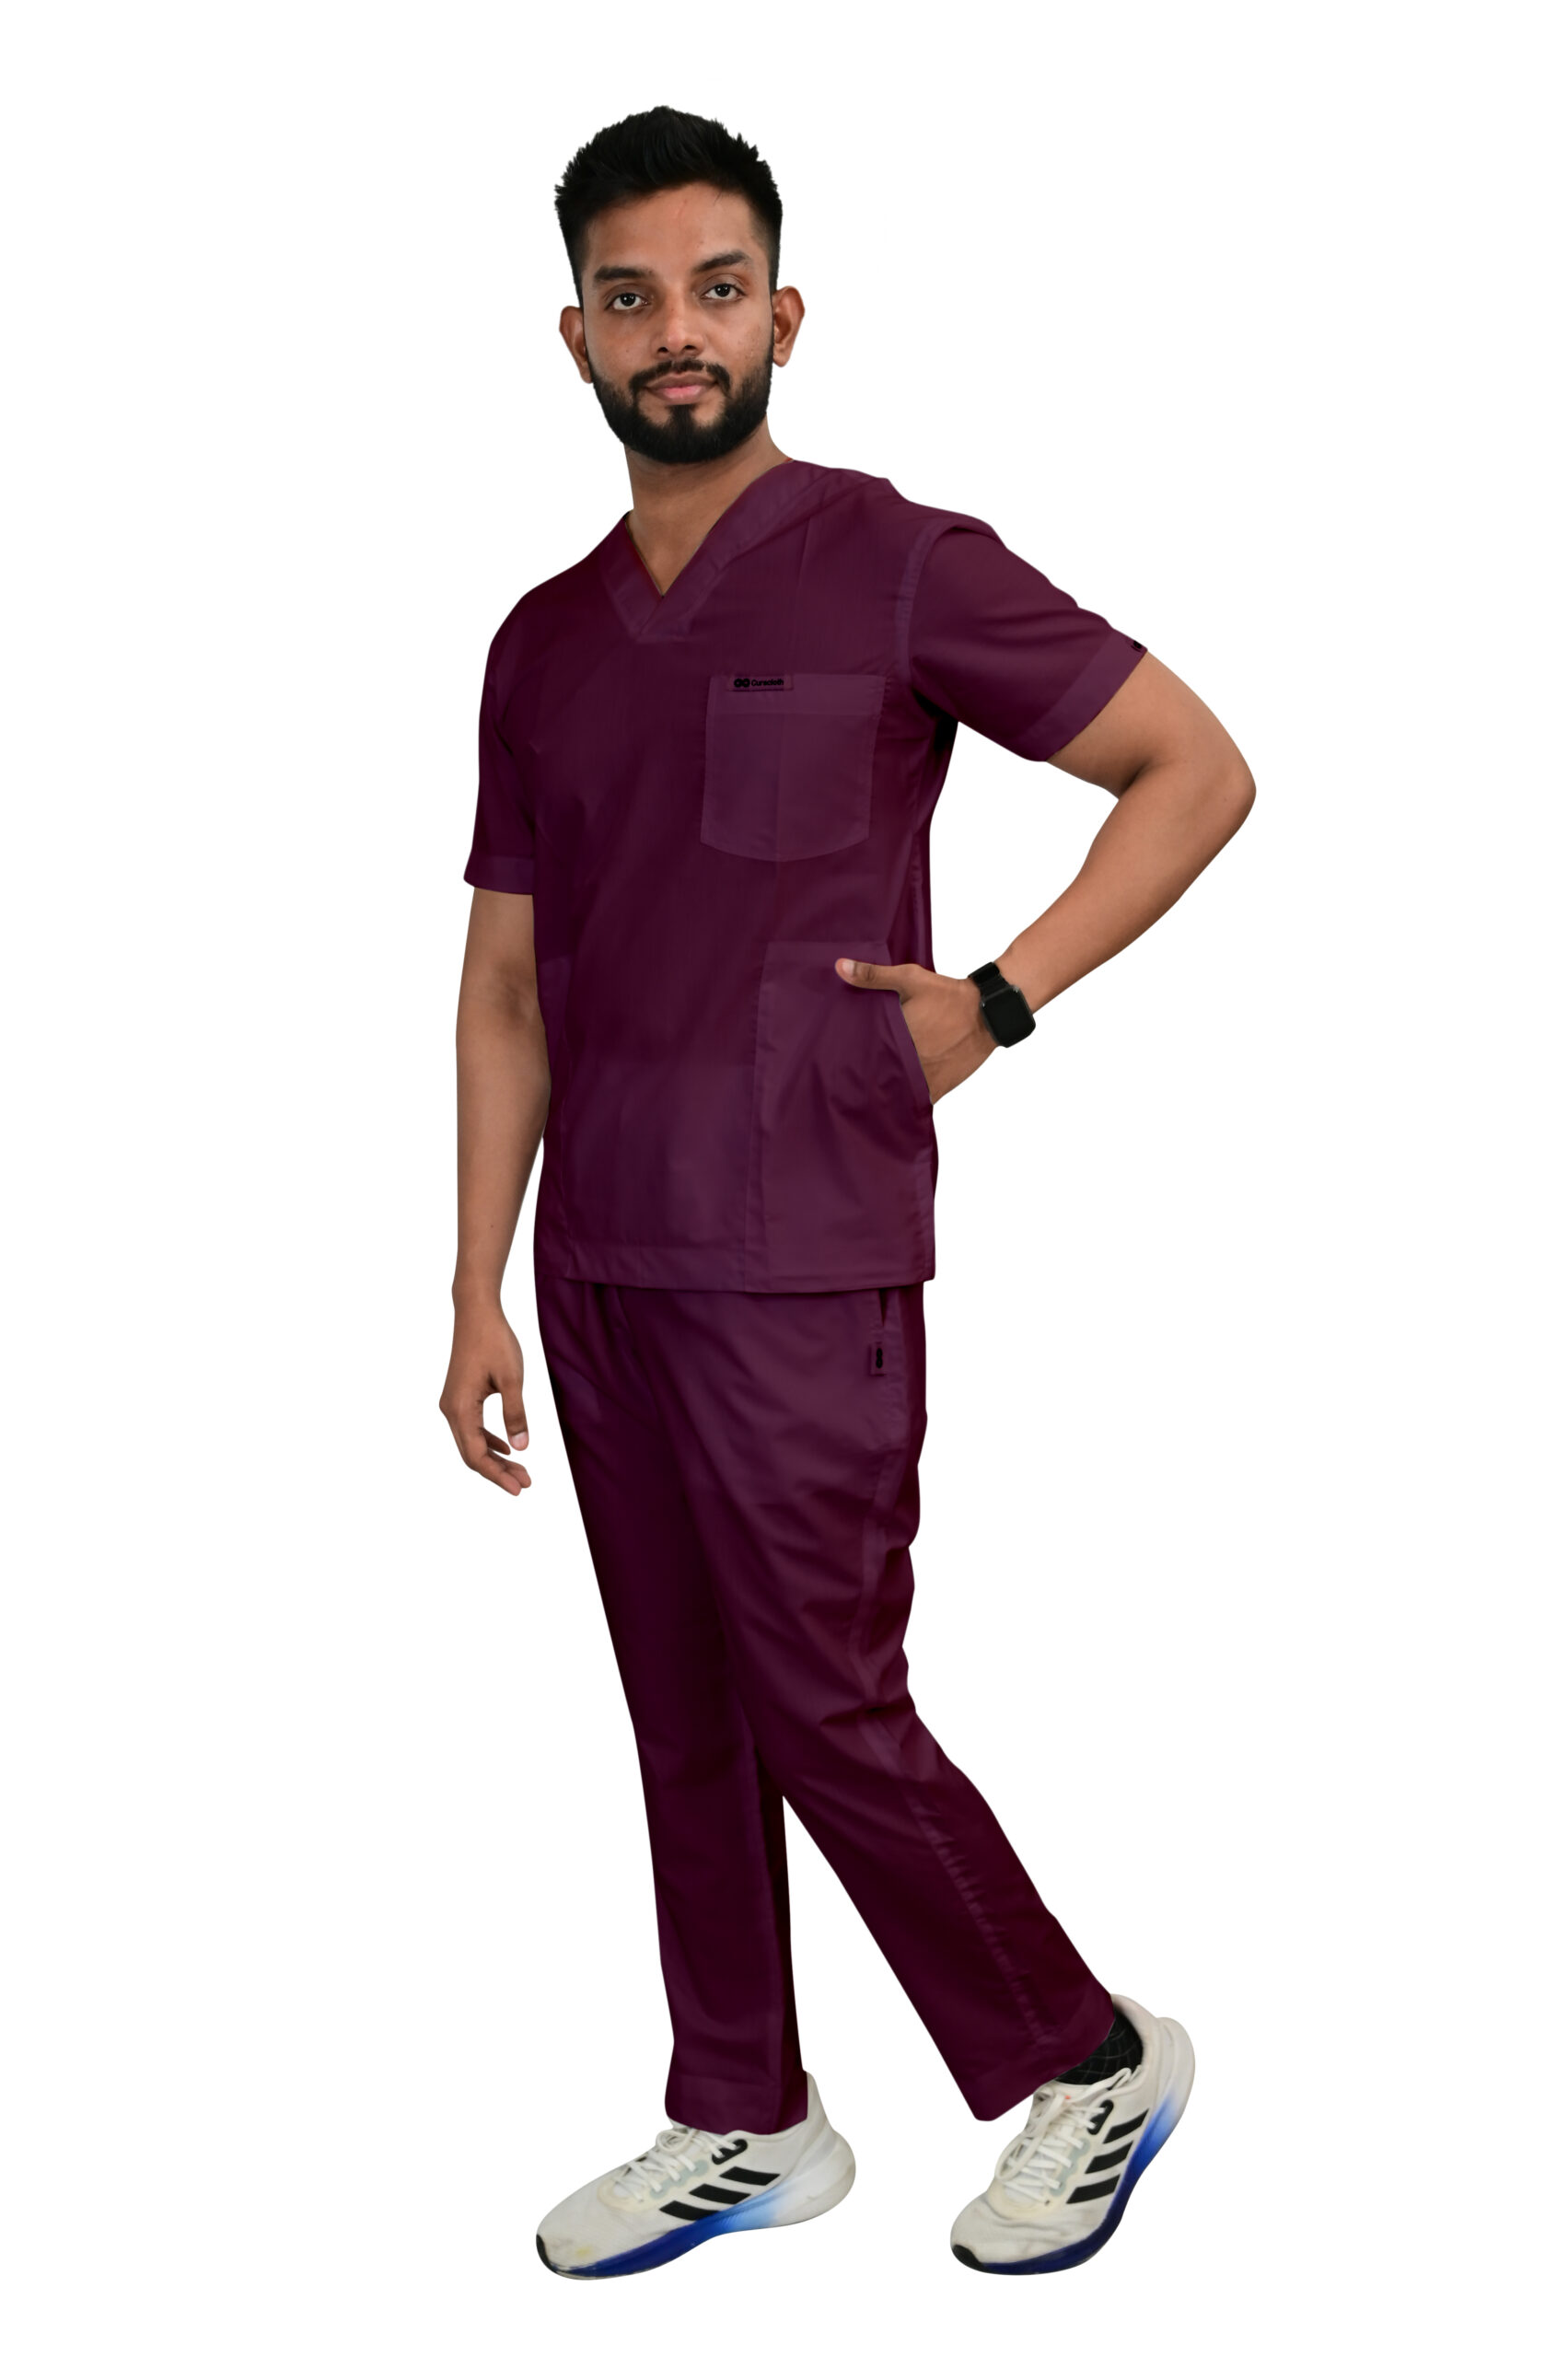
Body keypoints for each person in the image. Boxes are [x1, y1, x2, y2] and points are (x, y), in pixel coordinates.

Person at [440, 104, 1254, 2282]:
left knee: (825, 1696)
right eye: (630, 296)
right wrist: (476, 1277)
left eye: (716, 289)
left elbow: (1194, 767)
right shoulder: (541, 641)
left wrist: (1001, 995)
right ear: (574, 335)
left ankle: (1089, 2054)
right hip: (600, 1263)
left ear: (784, 314)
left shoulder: (898, 561)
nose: (676, 331)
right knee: (684, 1705)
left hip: (801, 1243)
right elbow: (506, 976)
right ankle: (746, 2109)